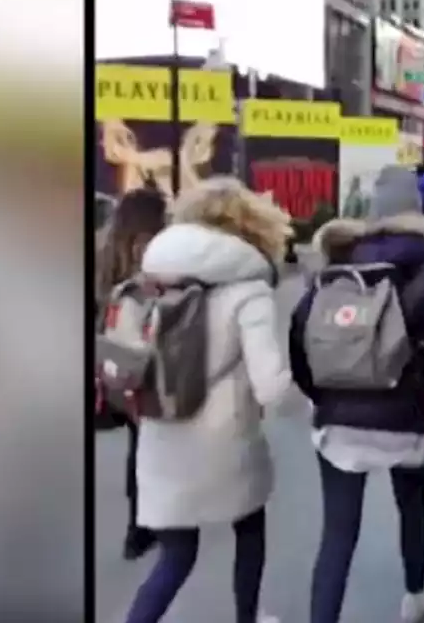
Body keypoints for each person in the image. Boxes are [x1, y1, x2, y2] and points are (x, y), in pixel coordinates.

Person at [291, 165, 424, 623]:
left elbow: (300, 335)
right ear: (418, 209)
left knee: (337, 533)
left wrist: (320, 397)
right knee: (412, 505)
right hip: (405, 413)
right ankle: (414, 593)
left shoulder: (338, 263)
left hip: (337, 420)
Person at [124, 177, 298, 623]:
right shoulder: (249, 292)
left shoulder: (149, 284)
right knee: (250, 530)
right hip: (227, 445)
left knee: (176, 557)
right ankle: (247, 617)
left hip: (160, 438)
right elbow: (272, 386)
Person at [94, 184, 167, 562]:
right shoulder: (150, 253)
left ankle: (137, 529)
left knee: (137, 444)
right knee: (147, 441)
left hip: (110, 362)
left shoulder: (103, 252)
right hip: (141, 359)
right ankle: (147, 523)